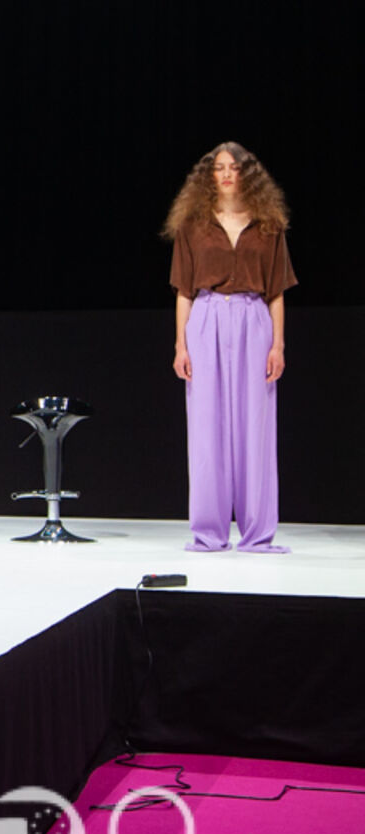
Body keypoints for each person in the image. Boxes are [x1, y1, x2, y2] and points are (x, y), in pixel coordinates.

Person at [164, 143, 296, 554]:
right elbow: (183, 291)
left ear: (247, 174)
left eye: (234, 168)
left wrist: (278, 344)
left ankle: (258, 533)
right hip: (206, 319)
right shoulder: (192, 225)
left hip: (253, 318)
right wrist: (181, 344)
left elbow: (277, 292)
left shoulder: (268, 225)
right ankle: (209, 531)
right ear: (209, 175)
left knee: (256, 427)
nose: (225, 174)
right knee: (206, 427)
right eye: (218, 167)